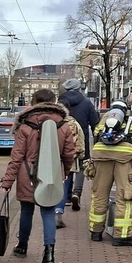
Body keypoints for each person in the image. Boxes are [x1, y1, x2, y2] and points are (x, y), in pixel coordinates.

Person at [0, 89, 75, 263]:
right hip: (51, 172)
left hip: (27, 173)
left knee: (26, 210)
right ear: (54, 101)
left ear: (34, 101)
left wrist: (8, 181)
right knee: (48, 212)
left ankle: (22, 246)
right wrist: (63, 171)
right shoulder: (63, 125)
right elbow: (69, 153)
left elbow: (16, 157)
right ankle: (49, 253)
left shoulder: (25, 125)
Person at [89, 97, 132, 246]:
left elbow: (96, 133)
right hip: (125, 157)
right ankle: (122, 236)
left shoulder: (107, 115)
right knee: (125, 195)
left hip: (101, 153)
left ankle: (96, 231)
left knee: (99, 194)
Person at [58, 78, 100, 212]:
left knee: (67, 166)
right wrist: (98, 141)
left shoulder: (60, 102)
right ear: (79, 89)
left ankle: (67, 196)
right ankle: (77, 192)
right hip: (82, 140)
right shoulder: (87, 103)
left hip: (64, 140)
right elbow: (95, 123)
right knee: (82, 166)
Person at [53, 97, 87, 229]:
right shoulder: (74, 123)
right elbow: (81, 142)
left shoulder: (50, 122)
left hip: (52, 159)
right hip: (69, 160)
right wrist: (79, 156)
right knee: (64, 186)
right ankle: (58, 213)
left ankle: (49, 210)